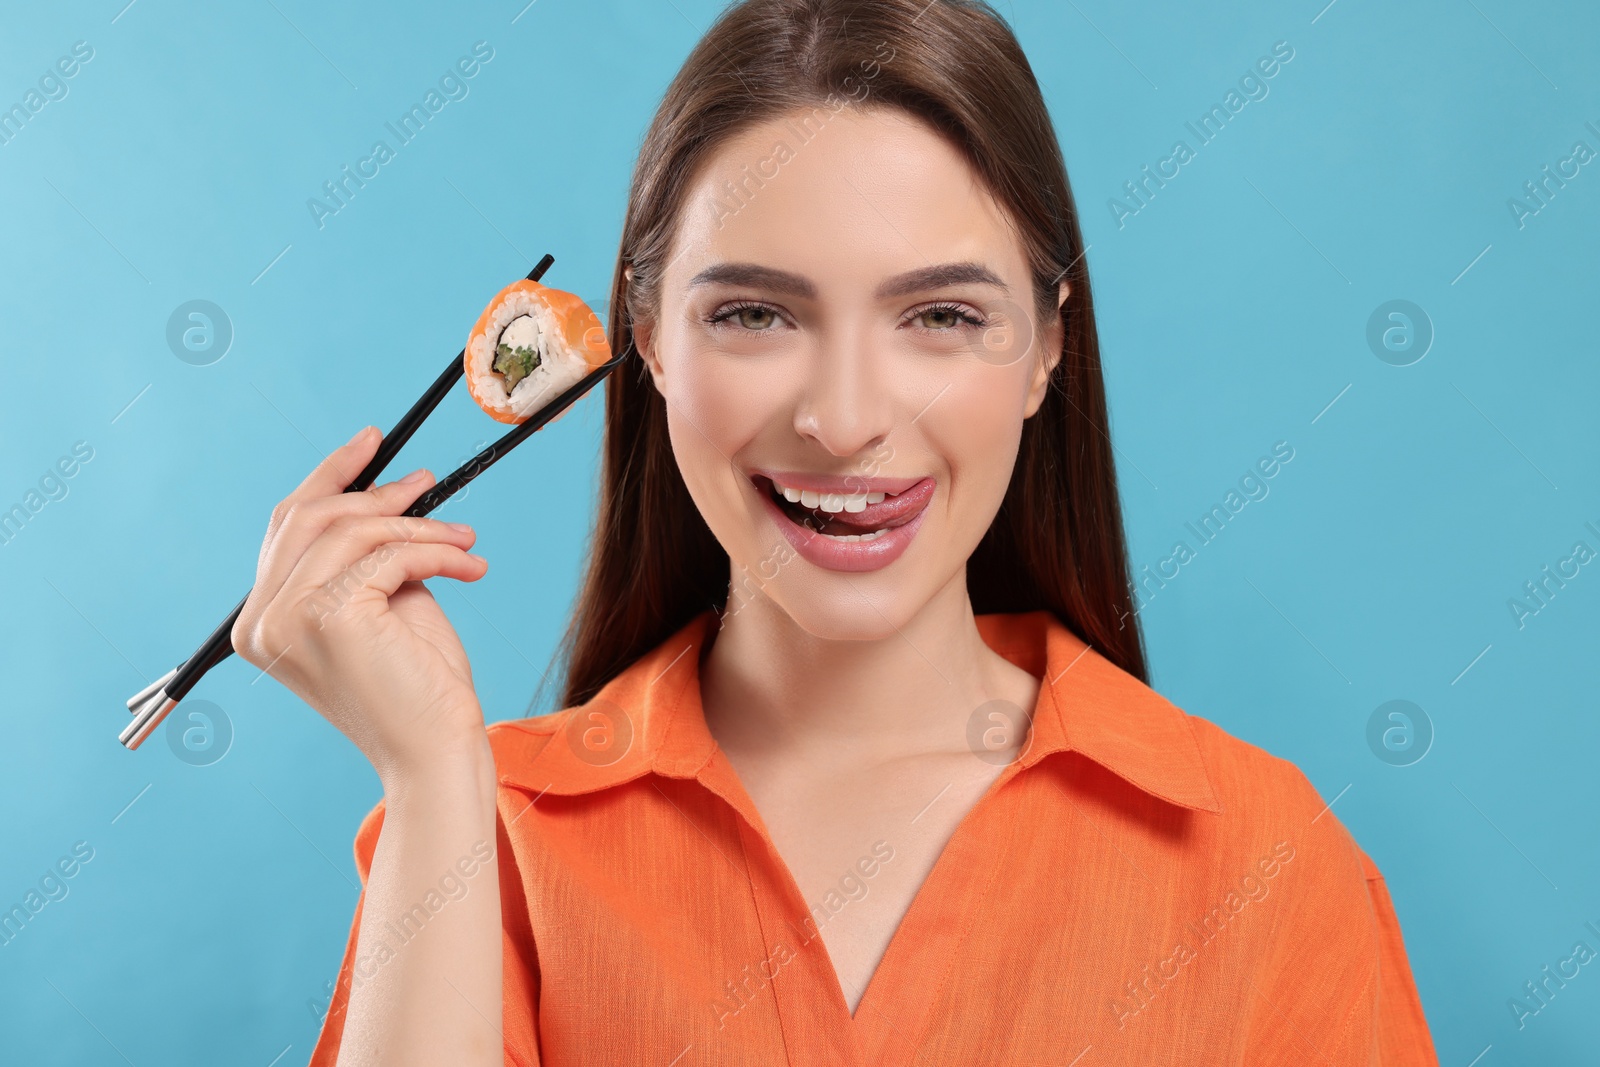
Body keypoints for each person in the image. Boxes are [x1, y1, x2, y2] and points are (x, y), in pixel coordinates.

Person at [231, 1, 1440, 1062]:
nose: (846, 419)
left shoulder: (1263, 857)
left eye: (943, 315)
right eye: (756, 312)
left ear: (1048, 346)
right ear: (647, 342)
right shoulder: (479, 837)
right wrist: (433, 771)